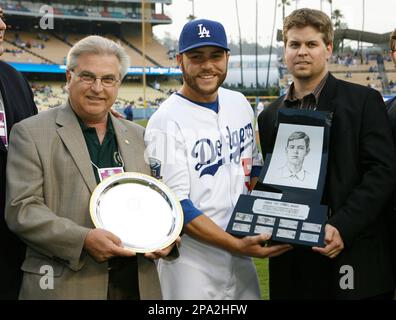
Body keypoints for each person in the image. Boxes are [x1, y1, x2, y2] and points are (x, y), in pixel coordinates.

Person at [5, 35, 176, 299]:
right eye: (87, 76)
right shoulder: (31, 132)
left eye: (108, 79)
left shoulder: (138, 136)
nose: (98, 88)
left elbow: (154, 201)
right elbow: (22, 209)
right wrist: (82, 239)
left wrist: (166, 237)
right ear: (68, 77)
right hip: (67, 284)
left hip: (136, 283)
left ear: (118, 84)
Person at [144, 19, 291, 300]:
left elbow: (255, 168)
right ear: (180, 61)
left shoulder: (238, 102)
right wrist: (235, 245)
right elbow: (177, 204)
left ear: (227, 58)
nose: (207, 66)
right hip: (191, 262)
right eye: (196, 57)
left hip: (241, 248)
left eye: (215, 56)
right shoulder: (165, 120)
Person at [258, 8, 396, 299]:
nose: (302, 52)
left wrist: (342, 226)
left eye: (312, 44)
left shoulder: (363, 102)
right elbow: (275, 183)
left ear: (329, 49)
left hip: (353, 257)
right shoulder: (270, 116)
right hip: (292, 261)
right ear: (285, 50)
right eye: (294, 44)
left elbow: (382, 173)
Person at [0, 6, 38, 300]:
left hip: (11, 239)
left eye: (2, 17)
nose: (2, 26)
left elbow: (36, 141)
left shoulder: (14, 78)